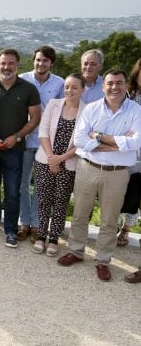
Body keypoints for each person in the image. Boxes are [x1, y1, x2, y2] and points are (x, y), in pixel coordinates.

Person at [58, 70, 141, 281]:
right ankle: (76, 251)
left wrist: (98, 136)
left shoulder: (136, 111)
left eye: (119, 83)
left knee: (109, 220)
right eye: (110, 83)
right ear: (103, 86)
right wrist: (118, 143)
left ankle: (103, 260)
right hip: (88, 168)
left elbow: (136, 143)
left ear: (125, 85)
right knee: (80, 214)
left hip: (117, 174)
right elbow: (80, 140)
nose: (114, 87)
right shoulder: (92, 109)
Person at [0, 48, 41, 248]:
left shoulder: (29, 89)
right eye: (3, 63)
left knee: (13, 191)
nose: (6, 67)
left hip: (15, 149)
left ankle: (11, 230)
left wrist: (17, 136)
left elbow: (36, 118)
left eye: (11, 63)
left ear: (18, 65)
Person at [32, 74, 85, 257]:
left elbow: (82, 142)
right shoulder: (54, 105)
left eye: (74, 87)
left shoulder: (87, 111)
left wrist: (60, 159)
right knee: (44, 199)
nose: (69, 90)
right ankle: (41, 235)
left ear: (83, 90)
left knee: (61, 202)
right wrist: (51, 158)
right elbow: (43, 132)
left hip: (69, 163)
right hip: (45, 160)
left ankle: (54, 238)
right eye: (67, 87)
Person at [18, 46, 64, 242]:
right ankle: (24, 222)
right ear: (33, 60)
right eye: (38, 60)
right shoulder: (22, 79)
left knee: (41, 186)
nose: (40, 63)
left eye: (45, 60)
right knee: (21, 183)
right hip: (25, 139)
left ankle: (37, 224)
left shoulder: (60, 83)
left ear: (51, 63)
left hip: (47, 143)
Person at [117, 58, 141, 248]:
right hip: (125, 152)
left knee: (138, 195)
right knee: (121, 193)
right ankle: (112, 228)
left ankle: (126, 230)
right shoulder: (128, 95)